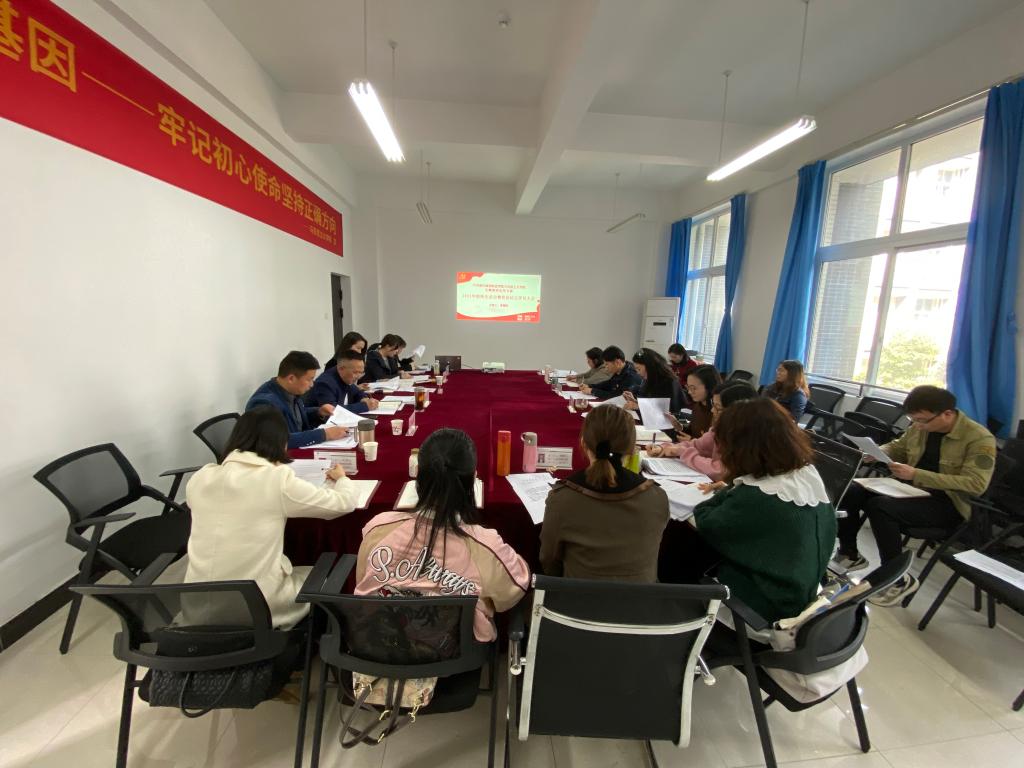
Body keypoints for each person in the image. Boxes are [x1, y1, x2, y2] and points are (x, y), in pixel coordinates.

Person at [184, 407, 360, 628]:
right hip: (257, 606)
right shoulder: (275, 480)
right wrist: (342, 479)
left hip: (197, 607)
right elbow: (343, 503)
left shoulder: (200, 477)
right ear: (280, 443)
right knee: (322, 572)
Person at [355, 429, 530, 643]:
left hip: (376, 648)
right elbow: (513, 590)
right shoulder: (486, 547)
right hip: (456, 656)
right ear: (473, 480)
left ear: (418, 475)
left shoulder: (378, 528)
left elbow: (363, 580)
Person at [835, 385, 996, 605]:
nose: (918, 425)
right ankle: (850, 553)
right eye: (914, 420)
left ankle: (896, 578)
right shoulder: (921, 426)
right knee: (851, 489)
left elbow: (976, 484)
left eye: (922, 420)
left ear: (947, 414)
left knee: (880, 506)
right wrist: (877, 453)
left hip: (949, 502)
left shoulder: (979, 438)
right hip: (910, 489)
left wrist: (917, 474)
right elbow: (898, 446)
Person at [693, 398, 836, 623]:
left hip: (760, 610)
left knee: (685, 556)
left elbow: (705, 519)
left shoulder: (758, 496)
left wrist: (730, 488)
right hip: (800, 592)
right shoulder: (806, 474)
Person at [541, 405, 669, 582]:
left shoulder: (562, 498)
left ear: (583, 443)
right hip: (641, 597)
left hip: (577, 596)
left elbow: (549, 561)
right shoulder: (656, 497)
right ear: (632, 449)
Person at [646, 381, 757, 481]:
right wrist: (664, 447)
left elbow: (722, 471)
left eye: (718, 408)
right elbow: (696, 444)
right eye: (688, 387)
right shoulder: (698, 410)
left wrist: (682, 451)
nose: (713, 410)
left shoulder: (748, 437)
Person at [245, 351, 349, 449]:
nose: (312, 385)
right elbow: (278, 441)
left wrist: (318, 412)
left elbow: (294, 418)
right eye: (309, 379)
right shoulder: (264, 403)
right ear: (291, 379)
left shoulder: (290, 391)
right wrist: (325, 434)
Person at [309, 350, 380, 414]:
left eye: (361, 372)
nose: (358, 377)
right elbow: (331, 411)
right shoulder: (325, 383)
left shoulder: (345, 376)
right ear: (341, 369)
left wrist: (364, 399)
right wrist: (364, 406)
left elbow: (357, 392)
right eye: (355, 372)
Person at [681, 364, 722, 440]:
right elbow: (690, 429)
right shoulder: (697, 405)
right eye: (688, 387)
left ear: (709, 386)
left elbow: (713, 443)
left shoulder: (718, 412)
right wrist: (679, 426)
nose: (689, 392)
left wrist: (691, 440)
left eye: (693, 388)